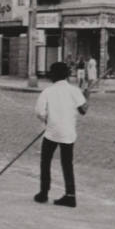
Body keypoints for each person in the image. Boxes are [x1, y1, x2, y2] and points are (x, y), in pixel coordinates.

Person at [34, 60, 88, 208]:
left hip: (51, 131)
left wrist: (46, 120)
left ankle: (44, 193)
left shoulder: (48, 91)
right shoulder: (74, 91)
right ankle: (70, 195)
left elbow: (39, 112)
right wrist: (87, 96)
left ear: (53, 76)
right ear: (66, 76)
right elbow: (83, 110)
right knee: (67, 163)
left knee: (45, 162)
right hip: (68, 133)